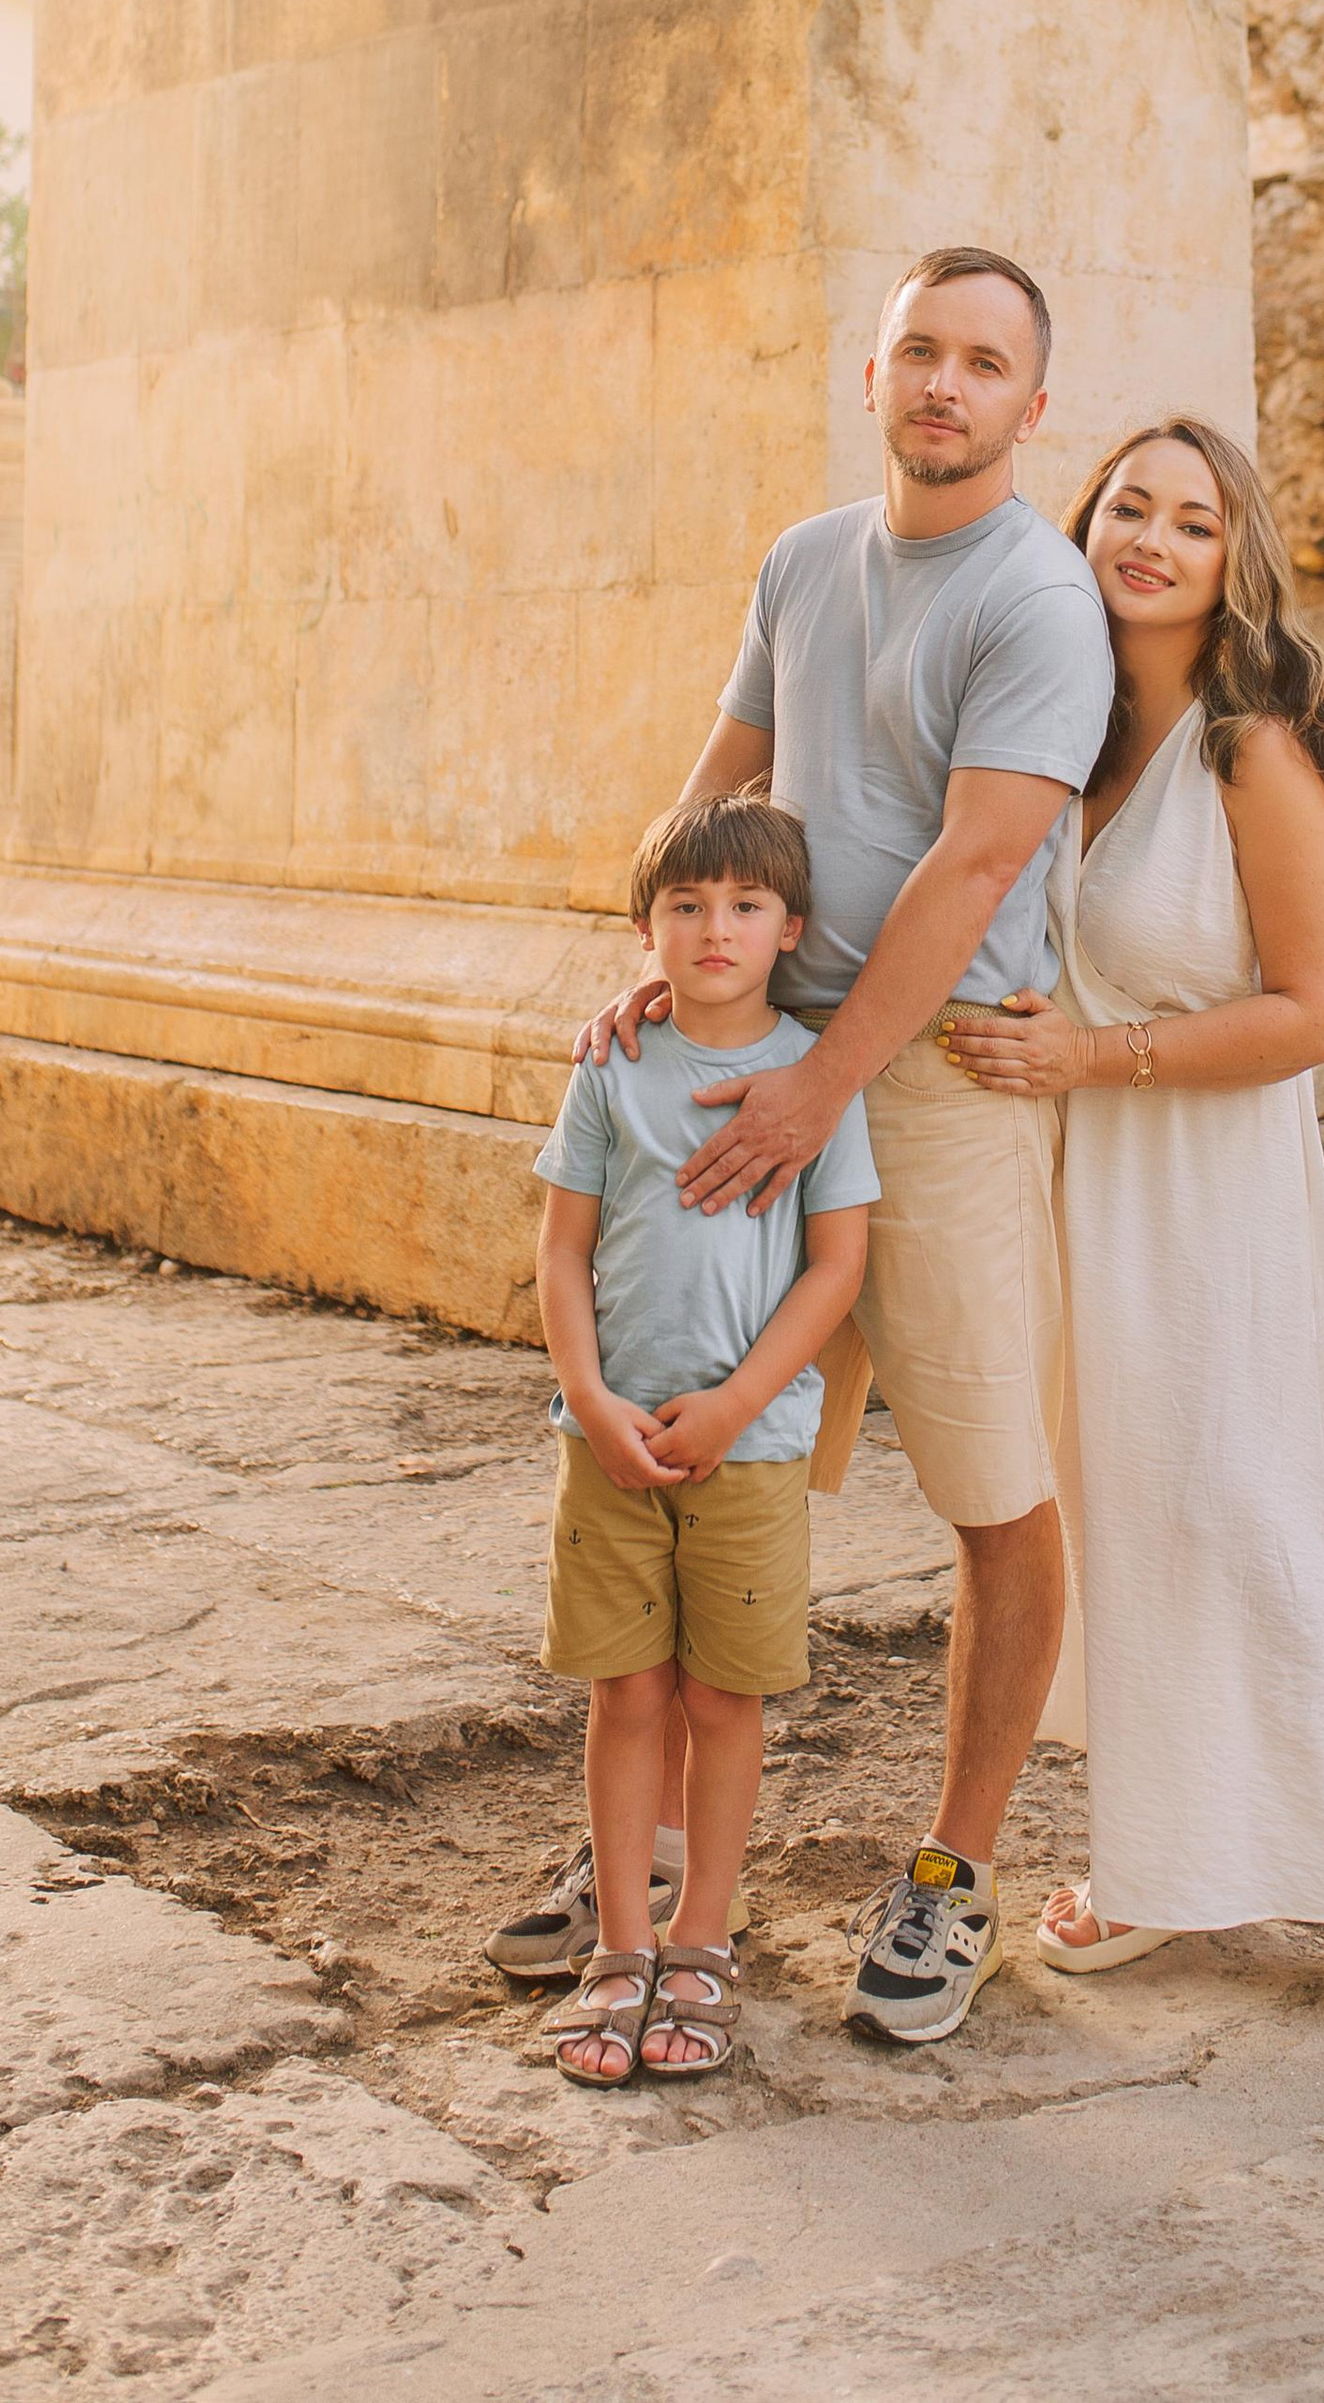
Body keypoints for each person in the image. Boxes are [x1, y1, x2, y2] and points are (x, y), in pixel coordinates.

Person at [486, 245, 1114, 2044]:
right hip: (754, 1053)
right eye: (921, 350)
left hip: (925, 1088)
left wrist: (821, 1083)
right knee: (702, 1449)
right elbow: (725, 776)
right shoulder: (803, 559)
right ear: (875, 375)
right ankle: (654, 1864)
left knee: (991, 1486)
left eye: (985, 362)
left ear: (1029, 404)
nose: (946, 385)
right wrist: (661, 972)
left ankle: (952, 1876)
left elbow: (976, 860)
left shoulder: (1037, 599)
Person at [940, 420, 1324, 2029]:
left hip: (1210, 1186)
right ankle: (1166, 1861)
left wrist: (1094, 1053)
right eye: (1126, 507)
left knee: (1254, 1508)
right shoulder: (1059, 733)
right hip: (1074, 1186)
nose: (1152, 541)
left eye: (1192, 519)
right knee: (1123, 1520)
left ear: (1234, 557)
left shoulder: (1253, 747)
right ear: (1082, 522)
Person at [530, 791, 877, 2084]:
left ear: (791, 926)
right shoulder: (612, 1069)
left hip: (755, 1447)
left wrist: (736, 1405)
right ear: (646, 930)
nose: (714, 927)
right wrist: (592, 1398)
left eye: (743, 906)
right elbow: (562, 1250)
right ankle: (623, 1945)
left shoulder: (813, 1077)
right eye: (686, 905)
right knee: (628, 1693)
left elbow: (836, 1268)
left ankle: (705, 1938)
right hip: (609, 1441)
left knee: (726, 1697)